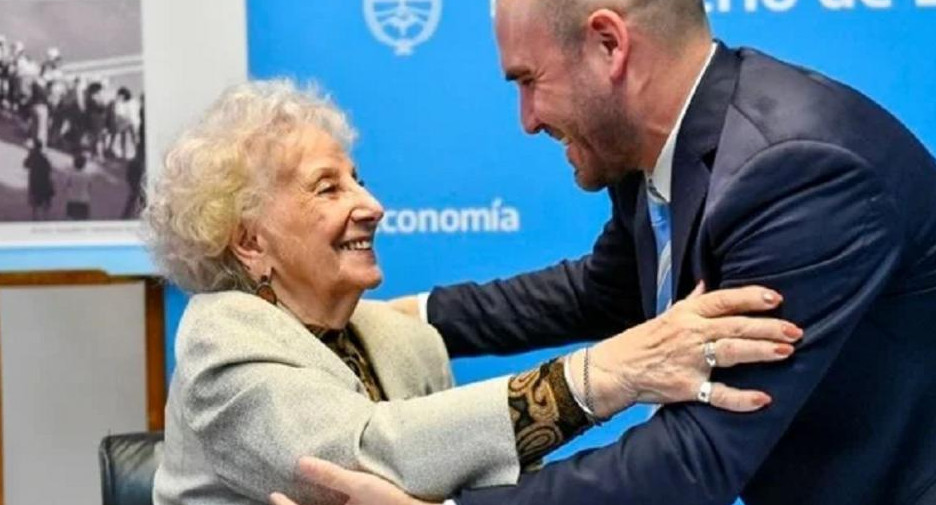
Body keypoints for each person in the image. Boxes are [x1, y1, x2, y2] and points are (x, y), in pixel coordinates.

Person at [286, 0, 936, 504]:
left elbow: (696, 458)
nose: (527, 119)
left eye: (528, 81)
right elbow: (602, 293)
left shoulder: (795, 174)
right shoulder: (657, 151)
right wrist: (385, 321)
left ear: (608, 44)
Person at [142, 80, 799, 505]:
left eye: (358, 179)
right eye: (328, 188)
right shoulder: (219, 346)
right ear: (249, 242)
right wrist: (609, 374)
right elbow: (374, 453)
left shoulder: (402, 341)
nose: (370, 205)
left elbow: (476, 479)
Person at [23, 138, 55, 220]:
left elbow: (25, 165)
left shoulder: (32, 156)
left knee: (35, 203)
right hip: (44, 181)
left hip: (34, 181)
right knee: (44, 201)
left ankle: (35, 217)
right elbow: (49, 168)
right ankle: (45, 217)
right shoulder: (44, 157)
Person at [63, 152, 93, 220]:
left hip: (72, 200)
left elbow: (65, 187)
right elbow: (89, 188)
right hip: (84, 201)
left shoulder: (70, 175)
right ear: (84, 165)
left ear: (74, 164)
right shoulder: (87, 175)